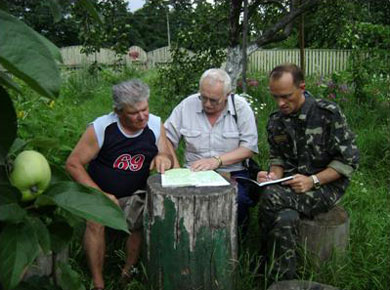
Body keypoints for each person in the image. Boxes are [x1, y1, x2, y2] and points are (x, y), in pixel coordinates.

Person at [66, 79, 174, 290]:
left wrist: (163, 157)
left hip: (136, 192)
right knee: (95, 221)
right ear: (118, 111)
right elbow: (73, 164)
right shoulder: (102, 128)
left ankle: (127, 272)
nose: (142, 116)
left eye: (145, 109)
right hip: (102, 193)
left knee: (140, 216)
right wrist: (100, 195)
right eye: (134, 113)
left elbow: (168, 155)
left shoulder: (153, 124)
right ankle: (98, 282)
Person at [257, 64, 359, 280]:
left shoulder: (327, 114)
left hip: (325, 187)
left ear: (302, 87)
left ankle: (260, 261)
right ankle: (284, 281)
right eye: (275, 97)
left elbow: (348, 161)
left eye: (286, 96)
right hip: (291, 186)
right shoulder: (276, 121)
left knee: (270, 196)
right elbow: (278, 159)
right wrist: (273, 176)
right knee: (284, 218)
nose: (280, 103)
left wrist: (313, 180)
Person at [164, 68, 259, 233]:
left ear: (228, 95)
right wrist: (176, 166)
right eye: (203, 97)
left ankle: (237, 245)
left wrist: (217, 161)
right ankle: (188, 242)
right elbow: (165, 138)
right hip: (193, 173)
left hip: (233, 172)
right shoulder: (187, 105)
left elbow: (249, 147)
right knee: (179, 203)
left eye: (214, 100)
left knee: (239, 201)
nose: (207, 104)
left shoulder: (241, 108)